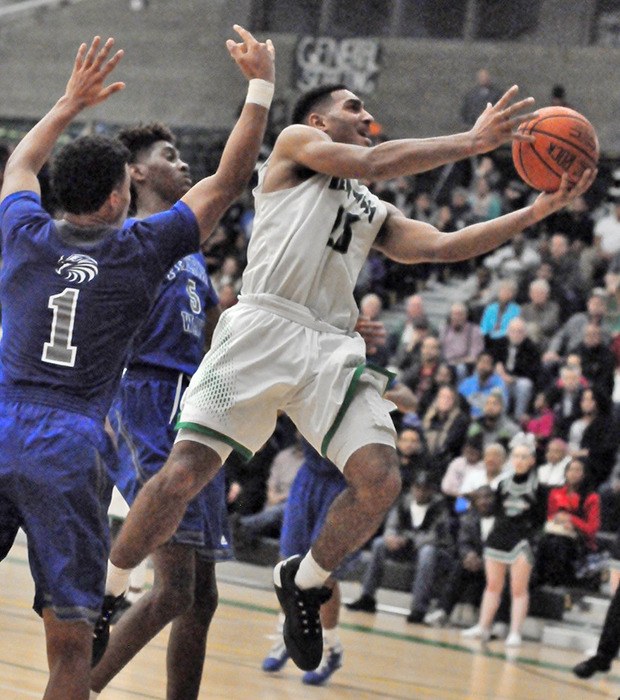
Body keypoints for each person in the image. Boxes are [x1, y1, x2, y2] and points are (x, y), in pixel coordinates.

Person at [99, 81, 595, 673]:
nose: (367, 116)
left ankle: (305, 581)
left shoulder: (369, 206)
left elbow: (441, 246)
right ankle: (107, 588)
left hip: (329, 345)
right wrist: (471, 141)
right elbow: (373, 160)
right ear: (319, 119)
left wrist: (535, 211)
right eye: (354, 107)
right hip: (262, 326)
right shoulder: (295, 144)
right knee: (181, 476)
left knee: (380, 478)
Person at [0, 29, 274, 700]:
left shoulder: (22, 229)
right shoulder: (138, 249)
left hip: (2, 419)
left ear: (55, 192)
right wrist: (259, 86)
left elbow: (19, 167)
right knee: (70, 648)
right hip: (67, 442)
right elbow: (230, 182)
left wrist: (69, 102)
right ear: (121, 199)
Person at [90, 119, 245, 698]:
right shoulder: (126, 239)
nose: (183, 165)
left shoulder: (189, 252)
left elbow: (211, 340)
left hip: (195, 406)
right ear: (135, 171)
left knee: (201, 599)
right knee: (174, 590)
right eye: (170, 155)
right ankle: (80, 687)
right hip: (144, 398)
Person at [462, 436, 546, 647]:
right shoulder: (502, 484)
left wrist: (530, 537)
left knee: (518, 589)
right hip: (499, 538)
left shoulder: (539, 487)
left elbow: (540, 519)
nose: (519, 460)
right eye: (516, 456)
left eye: (524, 457)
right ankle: (483, 626)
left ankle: (515, 632)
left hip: (522, 541)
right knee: (492, 586)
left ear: (532, 461)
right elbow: (496, 511)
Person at [346, 470, 454, 624]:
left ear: (432, 490)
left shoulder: (440, 507)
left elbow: (434, 536)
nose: (421, 492)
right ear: (412, 488)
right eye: (418, 487)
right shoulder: (403, 502)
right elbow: (392, 524)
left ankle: (418, 608)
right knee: (379, 544)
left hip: (432, 551)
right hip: (404, 546)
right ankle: (367, 597)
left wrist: (408, 540)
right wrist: (391, 537)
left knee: (427, 553)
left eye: (425, 488)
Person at [534, 458, 600, 587]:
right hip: (555, 532)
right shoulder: (555, 492)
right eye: (570, 469)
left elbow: (592, 529)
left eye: (577, 470)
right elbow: (550, 517)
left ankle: (556, 583)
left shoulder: (592, 498)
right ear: (565, 472)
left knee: (559, 544)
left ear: (584, 474)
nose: (573, 473)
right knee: (546, 541)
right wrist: (559, 521)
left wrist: (572, 520)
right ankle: (539, 579)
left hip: (579, 541)